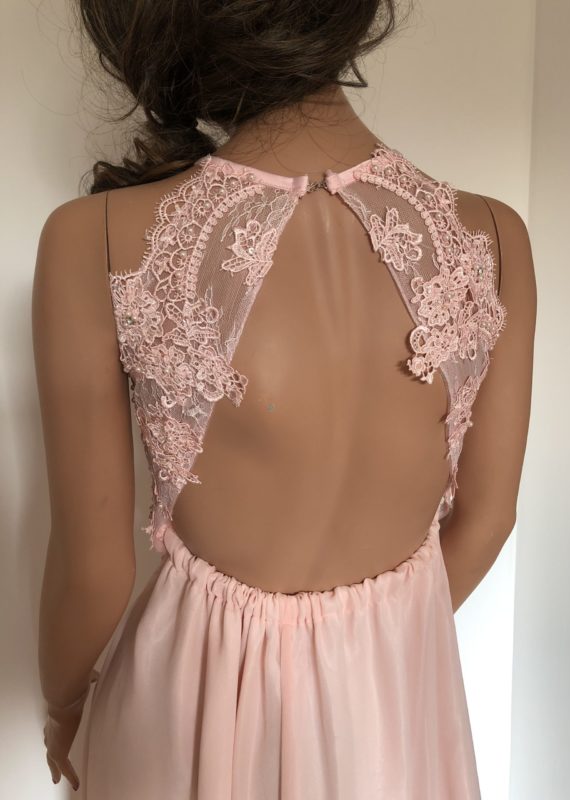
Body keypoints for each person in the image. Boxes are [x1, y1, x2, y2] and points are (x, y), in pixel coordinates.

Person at [33, 0, 536, 797]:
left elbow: (95, 573)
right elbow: (489, 516)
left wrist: (63, 705)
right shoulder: (495, 235)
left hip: (189, 703)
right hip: (387, 714)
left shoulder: (89, 236)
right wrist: (370, 648)